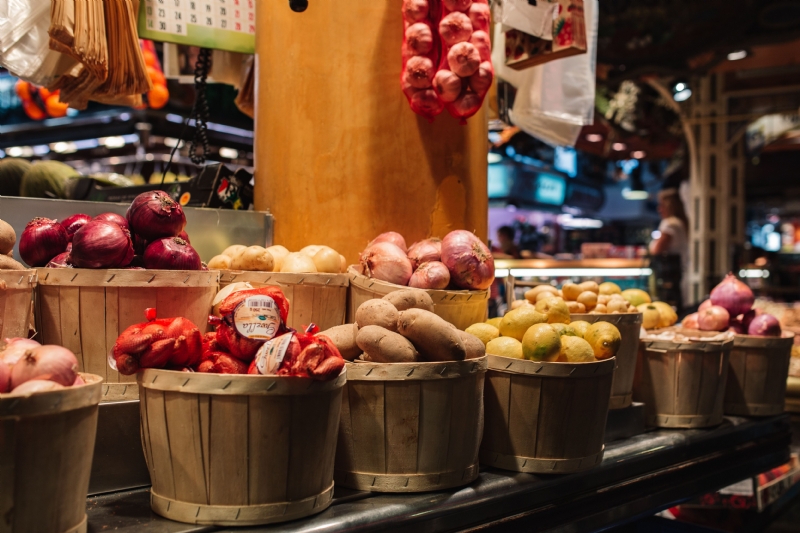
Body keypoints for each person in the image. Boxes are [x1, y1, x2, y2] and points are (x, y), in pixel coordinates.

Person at [650, 188, 689, 307]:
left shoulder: (669, 223)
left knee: (666, 304)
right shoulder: (680, 222)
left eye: (661, 205)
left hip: (669, 274)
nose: (659, 209)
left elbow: (656, 249)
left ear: (668, 206)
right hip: (680, 271)